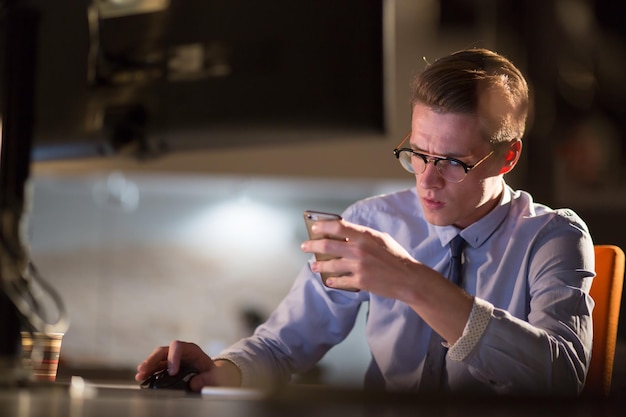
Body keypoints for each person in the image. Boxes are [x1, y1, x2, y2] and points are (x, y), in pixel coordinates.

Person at [135, 48, 595, 396]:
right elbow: (282, 346)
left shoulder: (553, 237)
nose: (427, 181)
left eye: (454, 162)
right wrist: (219, 371)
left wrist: (411, 281)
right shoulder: (372, 221)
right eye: (417, 153)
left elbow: (562, 378)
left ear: (506, 157)